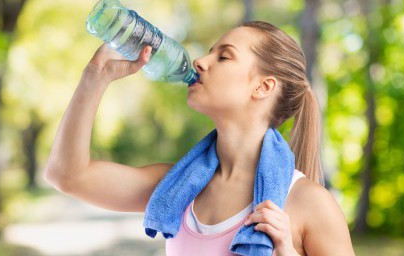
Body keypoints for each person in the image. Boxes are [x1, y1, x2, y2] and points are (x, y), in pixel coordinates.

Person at [44, 20, 355, 256]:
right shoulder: (176, 187)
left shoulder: (309, 203)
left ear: (263, 87)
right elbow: (66, 175)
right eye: (209, 52)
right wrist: (95, 77)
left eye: (224, 57)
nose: (200, 62)